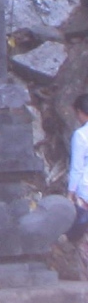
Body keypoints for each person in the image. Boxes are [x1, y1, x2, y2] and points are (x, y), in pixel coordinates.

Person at [67, 94, 88, 277]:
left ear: (81, 113)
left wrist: (70, 193)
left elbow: (77, 167)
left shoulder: (81, 135)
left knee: (82, 235)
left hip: (85, 189)